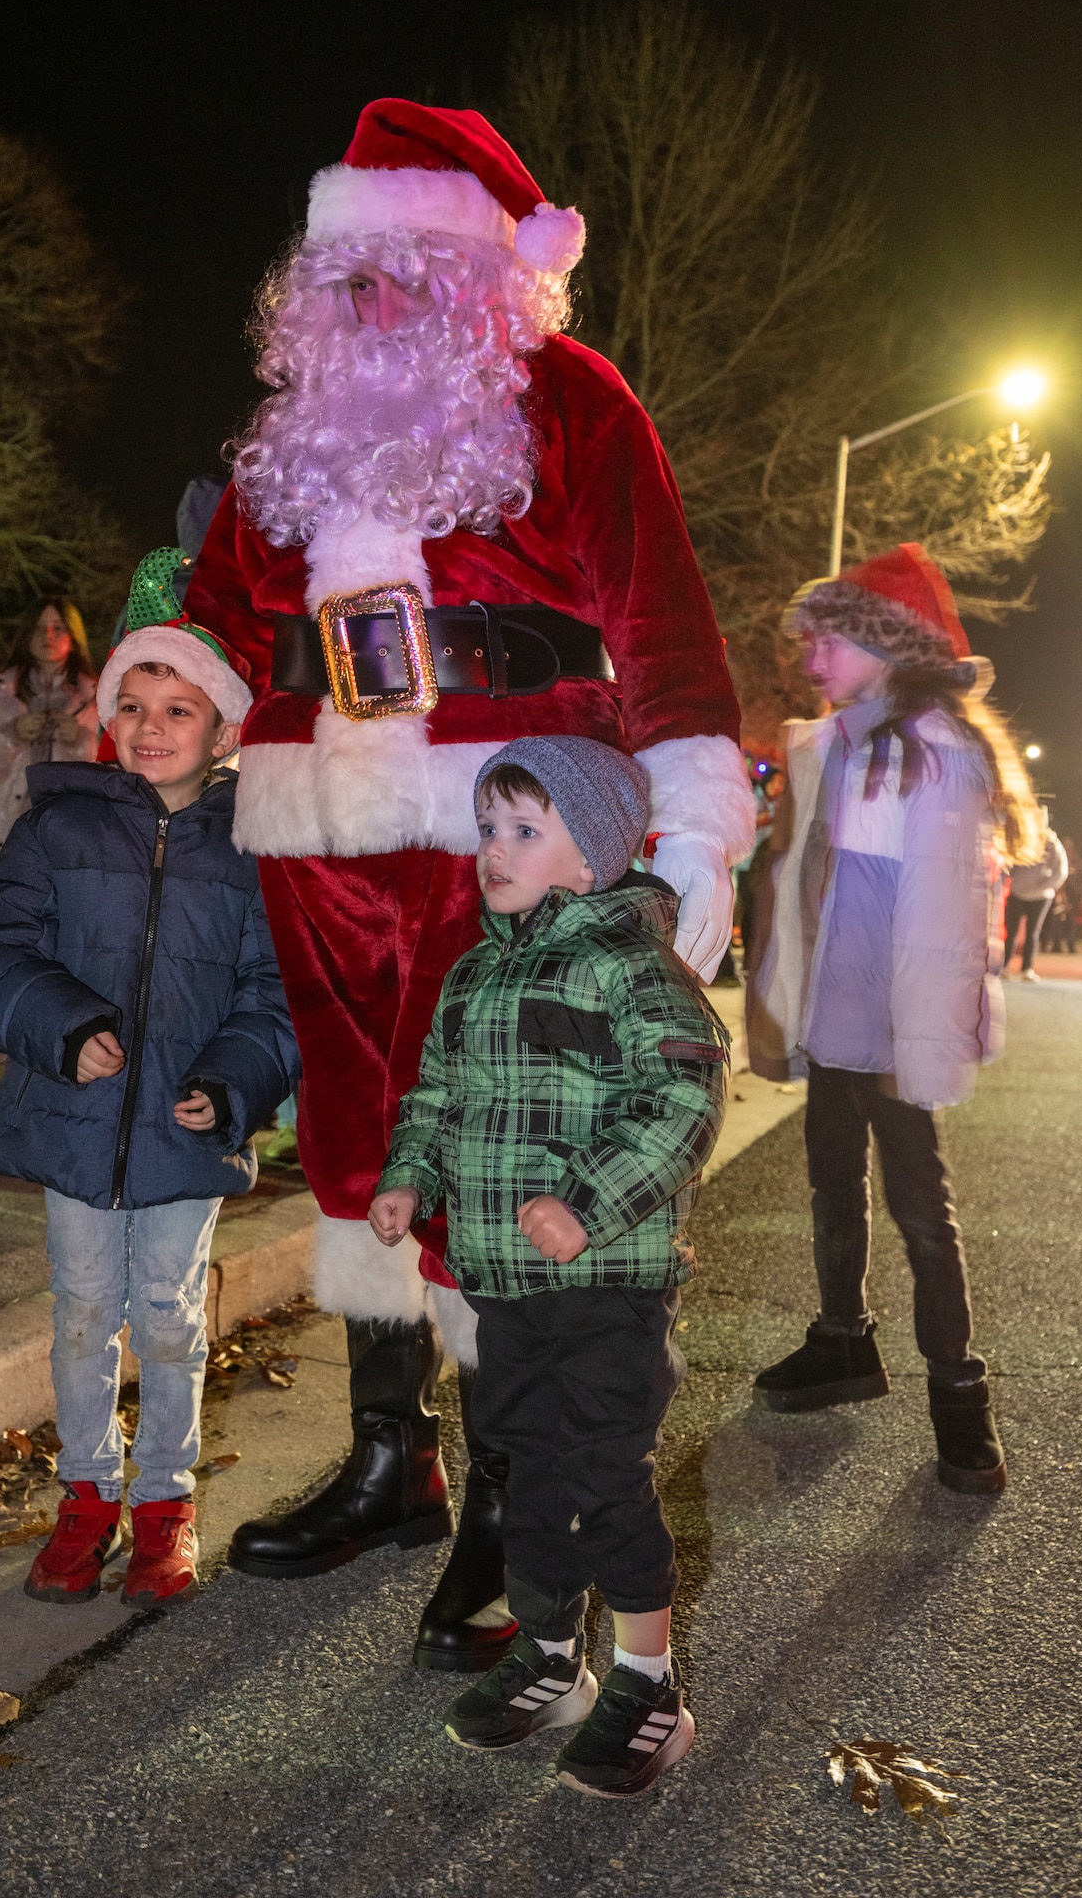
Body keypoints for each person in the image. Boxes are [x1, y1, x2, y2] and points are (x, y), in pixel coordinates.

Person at [186, 99, 754, 1667]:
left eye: (402, 267)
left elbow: (663, 612)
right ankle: (392, 1460)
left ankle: (521, 1487)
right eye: (345, 269)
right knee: (367, 1141)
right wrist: (171, 676)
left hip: (499, 822)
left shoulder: (568, 400)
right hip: (318, 827)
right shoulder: (289, 433)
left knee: (499, 1146)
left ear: (481, 276)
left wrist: (694, 815)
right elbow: (228, 606)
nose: (368, 299)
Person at [372, 737, 727, 1798]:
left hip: (608, 1280)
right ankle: (550, 1651)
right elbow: (436, 1093)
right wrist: (408, 1175)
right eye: (488, 827)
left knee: (599, 1471)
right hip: (507, 1282)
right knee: (522, 1463)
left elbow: (682, 1101)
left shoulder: (630, 966)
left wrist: (584, 1203)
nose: (494, 848)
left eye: (525, 829)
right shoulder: (477, 969)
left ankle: (649, 1683)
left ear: (595, 855)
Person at [0, 617, 297, 1608]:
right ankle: (87, 1494)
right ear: (105, 719)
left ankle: (163, 1500)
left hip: (187, 1130)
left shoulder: (252, 846)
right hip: (77, 1117)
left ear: (222, 727)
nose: (151, 727)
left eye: (177, 709)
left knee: (171, 1317)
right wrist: (62, 1024)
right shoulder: (58, 826)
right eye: (132, 707)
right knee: (83, 1314)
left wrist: (235, 1079)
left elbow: (276, 991)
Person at [745, 544, 1041, 1494]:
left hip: (896, 1013)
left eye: (829, 640)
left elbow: (944, 916)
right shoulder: (835, 743)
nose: (810, 658)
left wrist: (924, 1040)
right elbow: (811, 887)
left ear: (887, 646)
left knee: (920, 1203)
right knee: (832, 1176)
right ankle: (843, 1343)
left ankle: (961, 1401)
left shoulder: (935, 753)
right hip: (838, 1008)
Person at [0, 597, 98, 861]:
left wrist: (79, 741)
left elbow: (113, 764)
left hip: (69, 832)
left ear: (73, 634)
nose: (48, 635)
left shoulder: (98, 697)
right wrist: (11, 735)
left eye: (58, 627)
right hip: (5, 829)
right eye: (38, 627)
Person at [1003, 807, 1067, 980]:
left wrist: (1047, 886)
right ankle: (1004, 967)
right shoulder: (1020, 840)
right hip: (1017, 892)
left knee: (1033, 932)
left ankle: (1027, 969)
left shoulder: (1052, 844)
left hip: (1040, 896)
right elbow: (1008, 863)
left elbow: (1061, 870)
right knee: (1011, 931)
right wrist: (1009, 880)